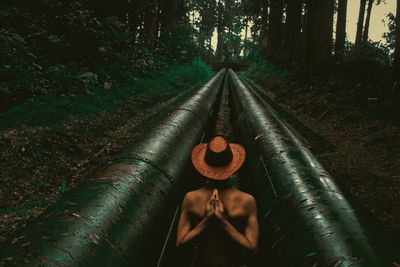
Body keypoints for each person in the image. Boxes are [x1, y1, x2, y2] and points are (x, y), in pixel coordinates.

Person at [176, 136, 259, 267]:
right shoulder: (246, 200)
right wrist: (223, 221)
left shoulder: (191, 198)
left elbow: (181, 242)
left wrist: (207, 220)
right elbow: (251, 247)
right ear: (232, 168)